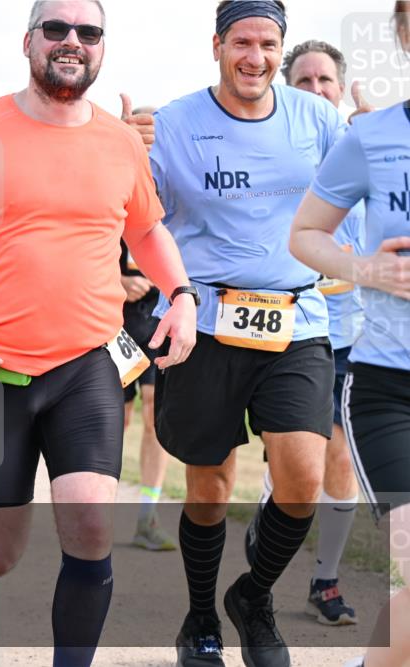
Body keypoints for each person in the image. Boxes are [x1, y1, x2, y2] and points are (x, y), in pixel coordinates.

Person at [0, 1, 197, 663]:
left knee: (91, 525)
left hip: (87, 364)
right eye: (56, 28)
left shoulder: (119, 140)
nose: (72, 41)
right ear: (28, 41)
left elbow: (146, 230)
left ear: (101, 47)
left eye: (88, 32)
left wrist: (181, 294)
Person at [138, 3, 348, 665]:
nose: (255, 57)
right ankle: (201, 618)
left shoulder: (317, 118)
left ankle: (252, 597)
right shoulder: (173, 125)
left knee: (301, 482)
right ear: (217, 46)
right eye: (242, 42)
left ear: (280, 49)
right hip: (205, 323)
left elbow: (360, 191)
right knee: (210, 488)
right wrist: (118, 148)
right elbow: (132, 214)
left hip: (297, 321)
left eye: (268, 43)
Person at [291, 5, 410, 666]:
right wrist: (366, 268)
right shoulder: (373, 138)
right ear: (403, 34)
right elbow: (305, 234)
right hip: (392, 389)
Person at [240, 38, 367, 629]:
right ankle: (268, 536)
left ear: (340, 90)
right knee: (293, 462)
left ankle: (326, 578)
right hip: (281, 333)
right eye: (305, 82)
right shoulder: (270, 157)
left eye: (325, 81)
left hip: (353, 338)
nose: (316, 91)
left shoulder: (371, 151)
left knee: (337, 457)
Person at [119, 233, 176, 552]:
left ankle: (147, 516)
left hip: (159, 321)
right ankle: (94, 511)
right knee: (117, 418)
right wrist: (117, 281)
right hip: (116, 324)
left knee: (156, 414)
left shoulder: (174, 205)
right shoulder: (114, 201)